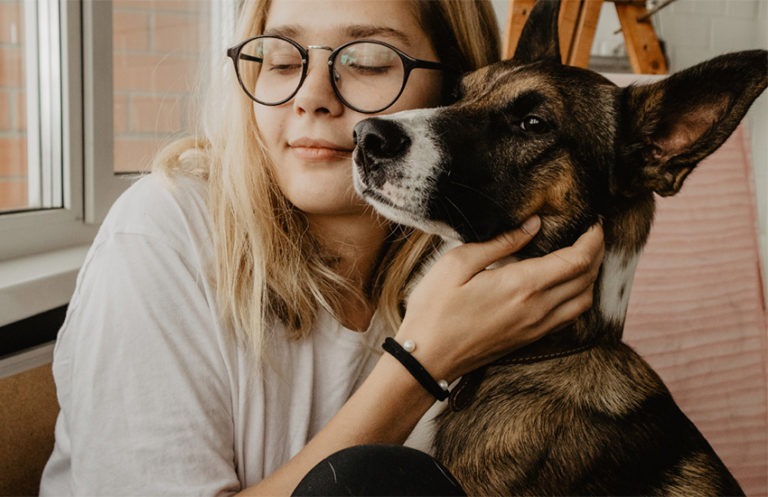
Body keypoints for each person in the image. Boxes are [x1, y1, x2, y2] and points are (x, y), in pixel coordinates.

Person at [39, 0, 604, 495]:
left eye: (367, 61)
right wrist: (421, 363)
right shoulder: (161, 235)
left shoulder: (473, 276)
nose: (311, 98)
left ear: (457, 89)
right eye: (281, 58)